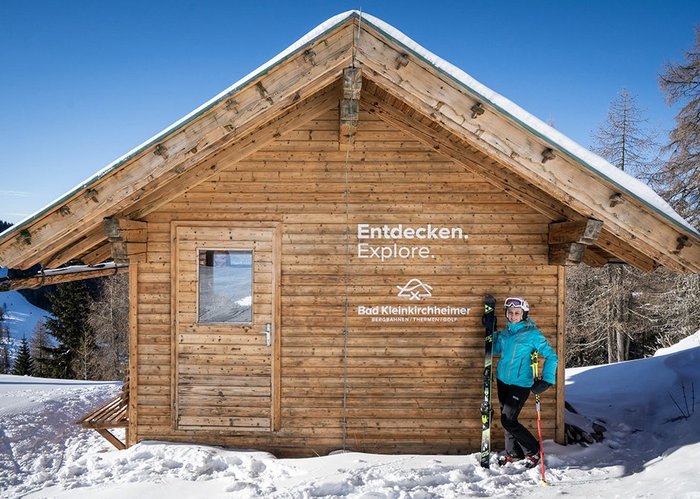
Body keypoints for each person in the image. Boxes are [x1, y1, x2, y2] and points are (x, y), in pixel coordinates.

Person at [493, 297, 558, 468]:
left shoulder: (532, 334)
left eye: (517, 313)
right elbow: (495, 350)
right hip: (502, 380)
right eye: (510, 313)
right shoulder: (506, 332)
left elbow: (552, 356)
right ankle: (513, 453)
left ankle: (533, 451)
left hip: (520, 383)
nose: (513, 316)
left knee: (508, 420)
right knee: (506, 418)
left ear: (523, 314)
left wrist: (547, 380)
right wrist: (491, 331)